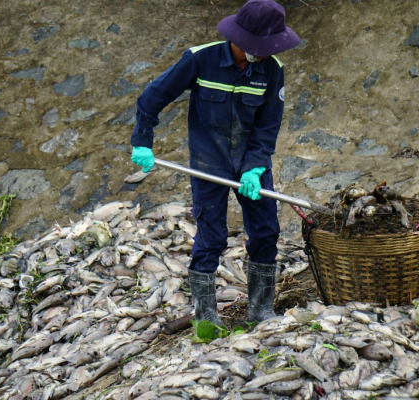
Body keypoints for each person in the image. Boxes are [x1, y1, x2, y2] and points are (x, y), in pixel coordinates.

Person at [129, 0, 300, 327]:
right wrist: (142, 141)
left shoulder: (272, 70)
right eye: (260, 47)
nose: (264, 53)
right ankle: (205, 315)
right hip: (208, 164)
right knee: (211, 236)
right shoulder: (200, 59)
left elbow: (267, 126)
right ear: (242, 39)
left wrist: (255, 166)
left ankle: (261, 311)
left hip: (252, 165)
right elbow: (152, 98)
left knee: (266, 231)